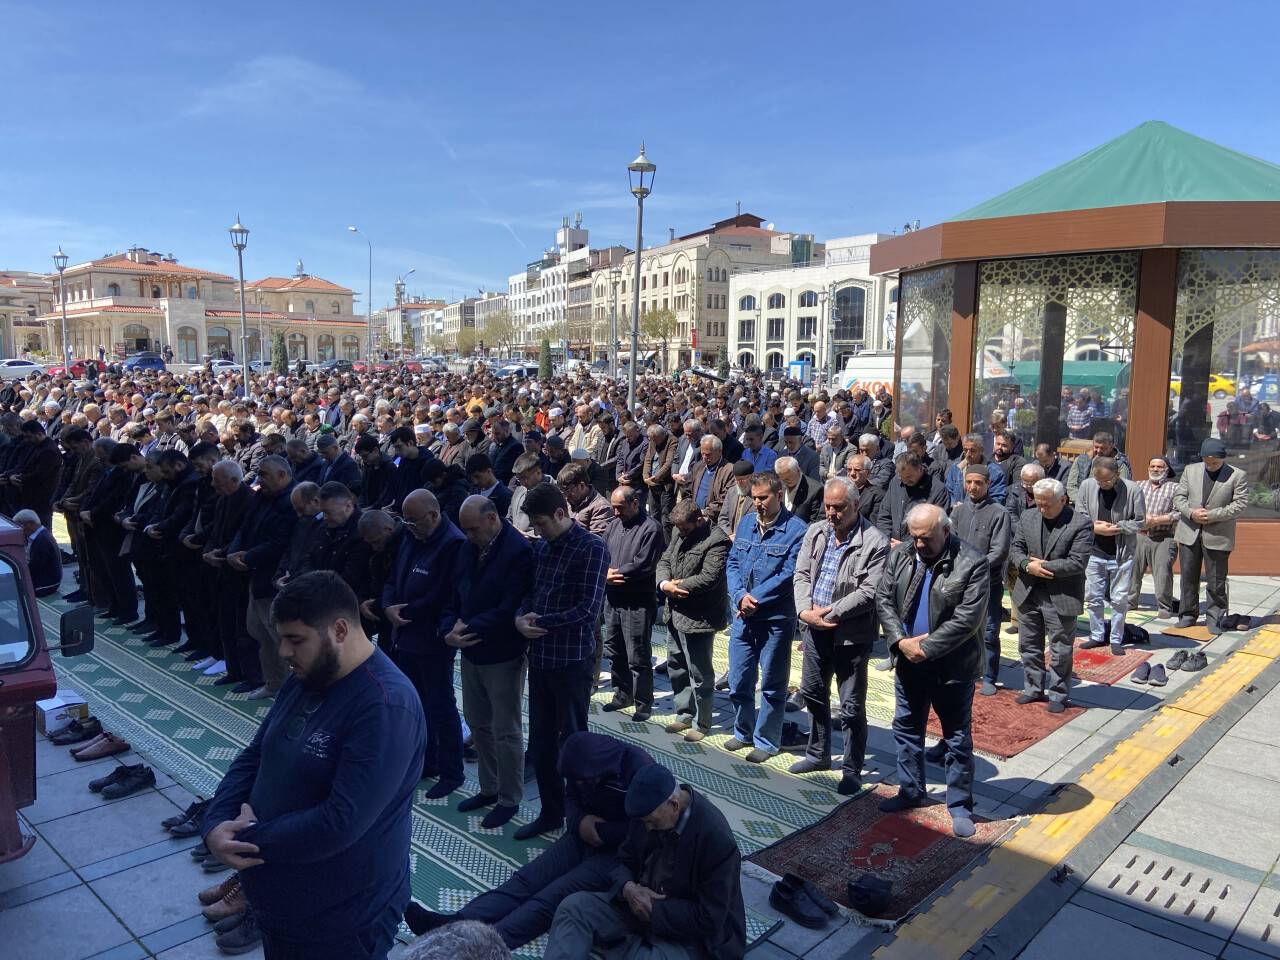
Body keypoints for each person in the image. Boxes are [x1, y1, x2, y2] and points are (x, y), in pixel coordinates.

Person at [201, 572, 425, 960]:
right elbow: (256, 755)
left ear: (339, 629)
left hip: (342, 919)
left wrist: (247, 838)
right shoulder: (308, 674)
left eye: (295, 639)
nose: (283, 651)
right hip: (284, 904)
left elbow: (341, 821)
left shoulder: (385, 706)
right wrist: (215, 823)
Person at [408, 732, 653, 949]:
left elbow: (644, 831)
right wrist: (579, 822)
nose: (579, 783)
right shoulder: (580, 764)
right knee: (527, 879)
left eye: (582, 780)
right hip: (582, 835)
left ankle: (488, 943)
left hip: (618, 854)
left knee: (554, 895)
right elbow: (570, 798)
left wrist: (601, 830)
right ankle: (453, 924)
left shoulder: (638, 770)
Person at [544, 763, 746, 960]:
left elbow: (709, 917)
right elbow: (623, 860)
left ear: (674, 805)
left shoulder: (715, 839)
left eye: (651, 822)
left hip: (688, 933)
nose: (647, 828)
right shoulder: (646, 814)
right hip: (634, 906)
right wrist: (628, 888)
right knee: (574, 908)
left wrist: (654, 909)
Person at [874, 504, 989, 837]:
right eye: (914, 537)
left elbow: (967, 620)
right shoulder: (902, 555)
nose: (919, 544)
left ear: (946, 531)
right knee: (907, 728)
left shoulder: (972, 563)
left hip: (952, 667)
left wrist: (925, 648)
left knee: (956, 738)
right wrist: (900, 642)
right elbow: (884, 599)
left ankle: (960, 805)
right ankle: (911, 791)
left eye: (926, 538)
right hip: (909, 661)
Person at [514, 482, 609, 840]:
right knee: (541, 744)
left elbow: (587, 611)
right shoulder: (543, 547)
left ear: (560, 513)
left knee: (574, 744)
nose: (537, 532)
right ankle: (551, 813)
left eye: (541, 524)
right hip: (540, 659)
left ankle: (580, 817)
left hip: (571, 661)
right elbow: (531, 592)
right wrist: (520, 617)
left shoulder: (591, 548)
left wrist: (539, 622)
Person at [790, 477, 889, 794]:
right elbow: (801, 574)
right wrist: (805, 612)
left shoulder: (874, 541)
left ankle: (851, 770)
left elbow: (870, 592)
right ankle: (818, 754)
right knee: (813, 693)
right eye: (828, 507)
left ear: (855, 505)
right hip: (814, 630)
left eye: (839, 508)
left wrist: (829, 614)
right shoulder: (816, 531)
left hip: (850, 637)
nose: (831, 513)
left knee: (851, 707)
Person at [445, 496, 534, 827]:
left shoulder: (518, 551)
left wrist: (466, 627)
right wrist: (448, 627)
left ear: (493, 518)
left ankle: (509, 798)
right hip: (471, 649)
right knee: (478, 721)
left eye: (473, 529)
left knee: (505, 729)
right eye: (465, 530)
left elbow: (510, 606)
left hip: (502, 653)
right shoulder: (469, 546)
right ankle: (489, 787)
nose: (469, 535)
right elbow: (455, 593)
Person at [384, 489, 467, 797]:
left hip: (431, 638)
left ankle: (451, 771)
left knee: (440, 705)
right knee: (416, 703)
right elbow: (394, 576)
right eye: (406, 521)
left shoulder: (453, 543)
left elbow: (444, 594)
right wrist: (387, 605)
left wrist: (404, 611)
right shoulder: (412, 534)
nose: (409, 526)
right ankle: (426, 760)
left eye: (414, 521)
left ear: (433, 515)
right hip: (404, 633)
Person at [724, 471, 807, 763]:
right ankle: (743, 731)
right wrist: (739, 596)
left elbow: (789, 574)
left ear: (779, 495)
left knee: (772, 683)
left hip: (775, 619)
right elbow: (733, 563)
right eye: (754, 498)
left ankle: (767, 739)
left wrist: (754, 598)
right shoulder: (746, 523)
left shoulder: (797, 530)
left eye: (763, 498)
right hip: (743, 616)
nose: (757, 503)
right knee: (739, 679)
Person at [1009, 478, 1094, 712]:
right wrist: (1027, 565)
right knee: (1028, 644)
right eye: (1038, 503)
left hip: (1061, 594)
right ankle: (1033, 688)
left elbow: (1077, 562)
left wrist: (1043, 567)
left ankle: (1058, 694)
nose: (1042, 509)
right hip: (1029, 592)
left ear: (1063, 500)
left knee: (1060, 648)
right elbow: (1015, 549)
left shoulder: (1080, 524)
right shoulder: (1028, 517)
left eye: (1046, 504)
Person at [656, 500, 729, 741]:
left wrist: (678, 587)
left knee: (700, 673)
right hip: (675, 612)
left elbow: (710, 577)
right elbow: (665, 560)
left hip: (700, 616)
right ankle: (684, 713)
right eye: (678, 528)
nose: (681, 533)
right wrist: (664, 584)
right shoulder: (679, 530)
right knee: (676, 666)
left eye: (685, 528)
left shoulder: (717, 540)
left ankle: (702, 722)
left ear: (699, 520)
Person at [227, 455, 298, 698]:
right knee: (259, 632)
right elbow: (244, 527)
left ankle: (290, 690)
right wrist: (234, 552)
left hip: (273, 579)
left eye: (264, 475)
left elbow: (280, 542)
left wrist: (247, 557)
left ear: (282, 475)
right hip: (254, 575)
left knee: (279, 637)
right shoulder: (261, 496)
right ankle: (273, 683)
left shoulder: (291, 501)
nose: (260, 480)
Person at [946, 464, 1012, 696]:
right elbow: (950, 543)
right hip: (959, 582)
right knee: (957, 627)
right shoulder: (958, 512)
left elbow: (999, 551)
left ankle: (989, 675)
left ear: (988, 484)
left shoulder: (999, 513)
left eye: (978, 483)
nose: (973, 487)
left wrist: (974, 568)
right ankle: (961, 669)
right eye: (969, 482)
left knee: (989, 632)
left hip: (988, 583)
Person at [601, 486, 665, 721]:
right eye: (613, 508)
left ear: (635, 503)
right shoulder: (613, 525)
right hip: (613, 598)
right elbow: (602, 552)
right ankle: (622, 694)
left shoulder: (651, 528)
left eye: (620, 508)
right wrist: (605, 572)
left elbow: (643, 564)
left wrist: (614, 574)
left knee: (637, 654)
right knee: (614, 649)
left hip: (637, 602)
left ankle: (643, 702)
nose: (616, 513)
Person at [1174, 438, 1249, 633]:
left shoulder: (1237, 475)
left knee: (1216, 580)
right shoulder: (1190, 470)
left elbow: (1240, 505)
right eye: (1207, 462)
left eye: (1215, 462)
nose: (1210, 465)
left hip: (1218, 534)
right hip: (1189, 531)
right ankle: (1188, 615)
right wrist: (1191, 512)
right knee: (1188, 577)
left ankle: (1215, 618)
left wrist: (1213, 515)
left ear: (1223, 459)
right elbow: (1179, 497)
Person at [1077, 457, 1146, 655]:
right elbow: (1079, 515)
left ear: (1117, 475)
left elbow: (1140, 521)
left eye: (1107, 480)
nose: (1102, 484)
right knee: (1093, 597)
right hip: (1094, 551)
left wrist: (1118, 528)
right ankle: (1097, 635)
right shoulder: (1087, 486)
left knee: (1119, 599)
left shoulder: (1133, 490)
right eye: (1098, 480)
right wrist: (1094, 527)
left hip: (1121, 552)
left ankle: (1116, 638)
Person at [1129, 457, 1179, 618]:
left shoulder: (1175, 488)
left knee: (1163, 573)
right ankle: (1130, 602)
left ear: (1166, 470)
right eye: (1152, 466)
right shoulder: (1138, 485)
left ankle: (1164, 606)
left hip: (1163, 537)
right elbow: (1127, 506)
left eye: (1159, 467)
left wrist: (1157, 520)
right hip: (1138, 536)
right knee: (1132, 571)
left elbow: (1180, 512)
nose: (1155, 469)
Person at [876, 451, 950, 544]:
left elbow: (936, 527)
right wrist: (887, 540)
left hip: (921, 547)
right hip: (891, 544)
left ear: (920, 469)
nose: (905, 481)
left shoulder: (938, 490)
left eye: (909, 477)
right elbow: (884, 515)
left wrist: (906, 546)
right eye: (901, 477)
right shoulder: (896, 482)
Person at [1065, 431, 1131, 502]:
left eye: (1102, 448)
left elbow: (1122, 490)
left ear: (1111, 447)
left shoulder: (1120, 465)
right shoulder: (1082, 460)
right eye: (1096, 447)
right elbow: (1071, 486)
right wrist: (1080, 502)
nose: (1098, 451)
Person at [14, 508, 61, 596]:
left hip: (46, 584)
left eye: (20, 526)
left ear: (29, 524)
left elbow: (35, 566)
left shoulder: (42, 540)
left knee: (11, 587)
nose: (19, 530)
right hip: (43, 578)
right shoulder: (39, 535)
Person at [775, 455, 822, 524]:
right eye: (782, 479)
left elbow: (815, 522)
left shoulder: (815, 490)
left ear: (798, 470)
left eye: (788, 478)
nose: (785, 482)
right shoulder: (778, 485)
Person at [716, 459, 755, 541]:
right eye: (736, 479)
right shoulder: (731, 491)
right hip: (730, 538)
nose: (738, 483)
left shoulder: (757, 495)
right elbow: (722, 518)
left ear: (751, 477)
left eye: (742, 479)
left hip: (748, 539)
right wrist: (729, 534)